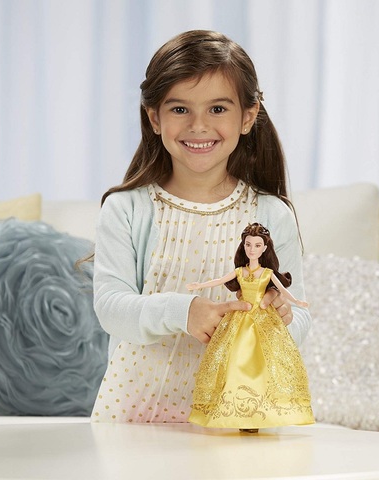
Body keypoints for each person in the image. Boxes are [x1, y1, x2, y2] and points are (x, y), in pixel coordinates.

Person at [90, 30, 312, 425]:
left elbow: (301, 320)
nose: (198, 125)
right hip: (137, 417)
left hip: (237, 418)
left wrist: (279, 319)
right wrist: (184, 311)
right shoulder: (126, 209)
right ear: (154, 117)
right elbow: (111, 309)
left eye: (217, 109)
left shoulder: (271, 213)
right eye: (179, 109)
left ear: (247, 117)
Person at [187, 223, 314, 431]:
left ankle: (259, 411)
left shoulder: (267, 273)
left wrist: (297, 302)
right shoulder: (240, 271)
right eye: (248, 245)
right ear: (243, 246)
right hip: (240, 318)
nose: (252, 249)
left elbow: (283, 290)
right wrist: (199, 286)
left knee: (264, 359)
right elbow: (220, 280)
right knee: (235, 358)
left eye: (257, 245)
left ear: (264, 248)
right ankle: (236, 410)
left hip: (263, 319)